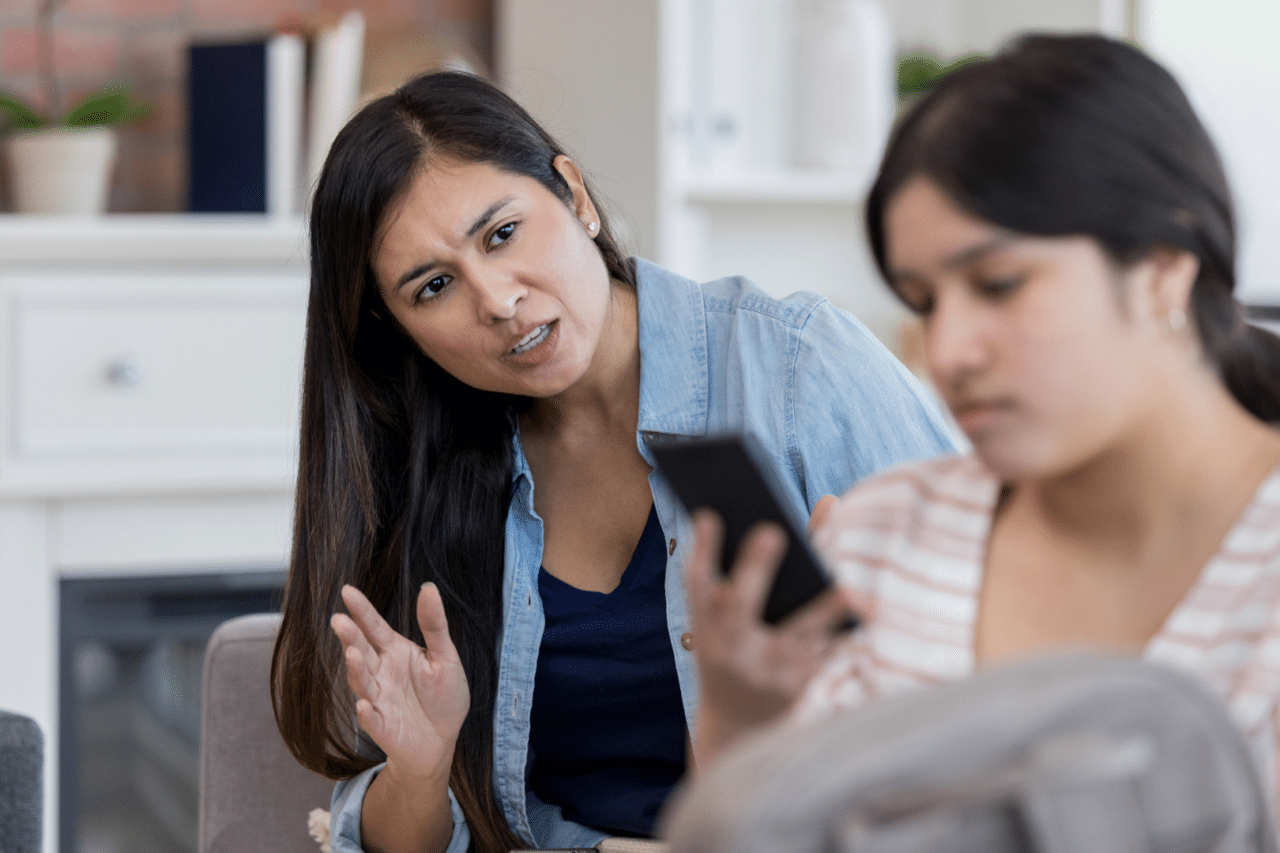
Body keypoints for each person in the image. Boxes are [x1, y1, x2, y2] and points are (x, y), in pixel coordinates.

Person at [268, 70, 954, 853]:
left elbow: (994, 680)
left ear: (575, 196)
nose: (495, 300)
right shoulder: (432, 473)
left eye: (501, 234)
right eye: (433, 287)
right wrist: (421, 770)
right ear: (400, 331)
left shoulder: (793, 369)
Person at [686, 32, 1280, 796]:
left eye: (998, 284)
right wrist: (743, 719)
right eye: (925, 302)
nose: (947, 348)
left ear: (1163, 266)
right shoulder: (883, 535)